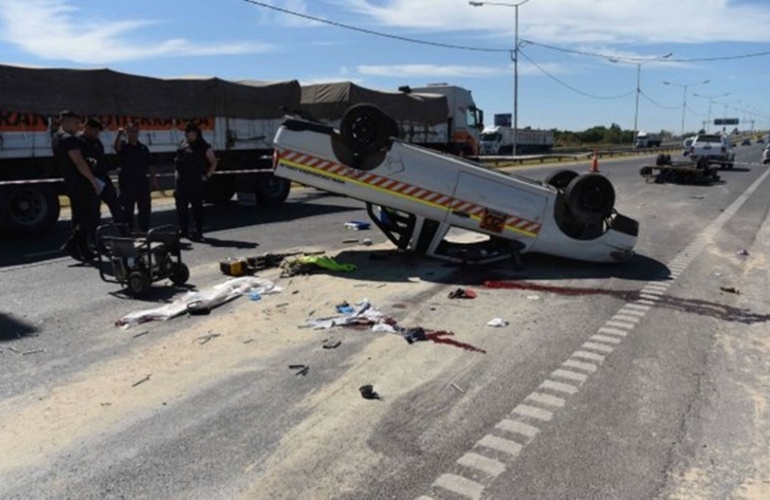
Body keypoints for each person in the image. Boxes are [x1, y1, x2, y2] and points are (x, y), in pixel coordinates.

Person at [52, 110, 101, 261]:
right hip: (81, 183)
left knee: (80, 218)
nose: (77, 126)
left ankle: (82, 249)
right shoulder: (68, 139)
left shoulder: (56, 137)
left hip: (71, 183)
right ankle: (73, 244)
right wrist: (93, 181)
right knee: (91, 216)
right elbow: (79, 162)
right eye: (75, 122)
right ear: (66, 121)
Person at [174, 123, 217, 241]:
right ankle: (184, 230)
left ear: (194, 133)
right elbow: (178, 164)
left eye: (188, 132)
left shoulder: (203, 146)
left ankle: (198, 231)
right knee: (181, 207)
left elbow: (213, 162)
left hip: (195, 181)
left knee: (197, 207)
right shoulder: (182, 145)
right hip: (182, 181)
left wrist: (207, 176)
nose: (185, 134)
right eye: (185, 133)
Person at [79, 117, 124, 224]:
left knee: (115, 204)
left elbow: (101, 158)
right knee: (94, 210)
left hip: (102, 177)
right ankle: (96, 236)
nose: (97, 134)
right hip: (89, 179)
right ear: (88, 128)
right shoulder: (79, 142)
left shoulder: (97, 142)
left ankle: (123, 229)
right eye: (95, 131)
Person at [114, 123, 155, 233]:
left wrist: (153, 179)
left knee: (145, 208)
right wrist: (119, 135)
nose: (133, 134)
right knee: (128, 209)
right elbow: (116, 147)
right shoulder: (123, 146)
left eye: (135, 131)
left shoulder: (143, 148)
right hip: (127, 184)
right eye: (131, 131)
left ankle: (144, 230)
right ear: (127, 133)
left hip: (142, 183)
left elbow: (150, 164)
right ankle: (129, 230)